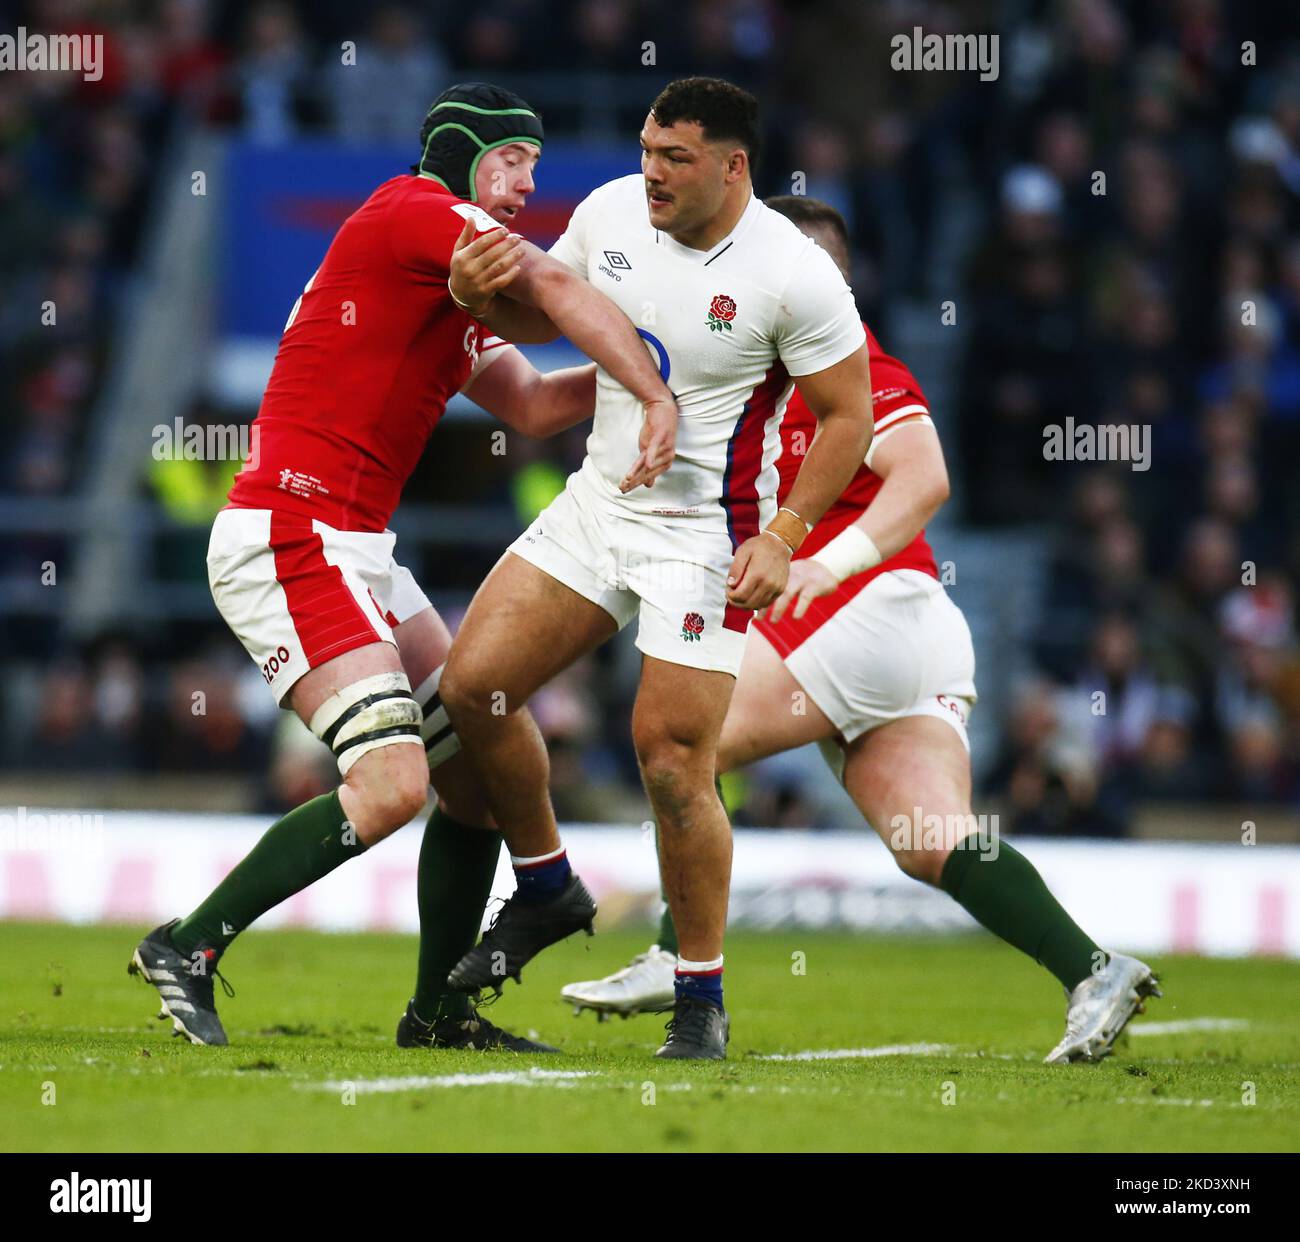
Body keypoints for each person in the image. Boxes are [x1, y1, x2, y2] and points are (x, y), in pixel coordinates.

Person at [127, 83, 679, 1050]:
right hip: (290, 531)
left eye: (537, 168)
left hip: (354, 547)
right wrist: (649, 380)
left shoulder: (444, 283)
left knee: (474, 756)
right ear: (463, 157)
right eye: (512, 162)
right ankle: (190, 944)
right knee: (389, 787)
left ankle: (436, 1014)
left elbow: (540, 406)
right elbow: (552, 293)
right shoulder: (410, 209)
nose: (526, 185)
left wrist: (681, 367)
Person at [557, 196, 1162, 1066]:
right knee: (933, 841)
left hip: (866, 608)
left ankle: (674, 951)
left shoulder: (854, 364)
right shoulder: (761, 380)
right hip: (909, 636)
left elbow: (925, 477)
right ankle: (1092, 968)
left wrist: (820, 566)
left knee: (680, 738)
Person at [435, 78, 874, 1060]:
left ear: (733, 165)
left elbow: (851, 416)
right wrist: (475, 296)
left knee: (671, 763)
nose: (652, 172)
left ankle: (699, 999)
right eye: (645, 149)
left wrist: (788, 532)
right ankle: (547, 885)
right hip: (599, 503)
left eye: (674, 157)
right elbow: (540, 318)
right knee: (473, 688)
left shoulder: (792, 272)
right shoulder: (606, 213)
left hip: (711, 538)